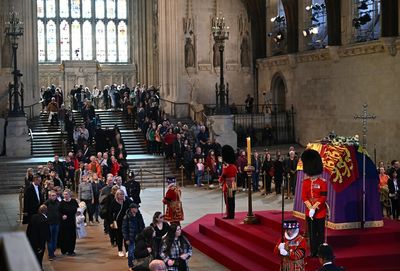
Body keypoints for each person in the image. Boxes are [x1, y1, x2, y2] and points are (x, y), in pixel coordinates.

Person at [301, 149, 327, 257]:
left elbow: (323, 197)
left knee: (320, 233)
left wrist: (314, 208)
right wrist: (309, 207)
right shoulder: (306, 182)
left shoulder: (322, 182)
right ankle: (313, 251)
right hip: (309, 212)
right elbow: (304, 196)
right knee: (312, 233)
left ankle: (320, 252)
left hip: (320, 211)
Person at [122, 203, 145, 270]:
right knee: (131, 252)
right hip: (131, 237)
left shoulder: (139, 216)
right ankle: (130, 265)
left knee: (138, 251)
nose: (137, 209)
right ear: (132, 209)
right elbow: (124, 229)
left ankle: (137, 264)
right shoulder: (126, 217)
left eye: (137, 208)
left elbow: (142, 225)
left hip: (139, 237)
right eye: (136, 208)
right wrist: (126, 239)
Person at [109, 189, 131, 257]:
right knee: (119, 236)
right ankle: (120, 250)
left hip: (126, 221)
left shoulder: (126, 201)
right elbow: (110, 213)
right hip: (117, 222)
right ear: (117, 195)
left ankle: (127, 250)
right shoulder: (113, 202)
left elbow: (132, 206)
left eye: (122, 194)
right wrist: (111, 222)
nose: (122, 195)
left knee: (126, 236)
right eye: (120, 194)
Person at [219, 145, 238, 219]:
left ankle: (229, 214)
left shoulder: (226, 167)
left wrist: (220, 180)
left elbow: (223, 176)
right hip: (233, 184)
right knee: (232, 200)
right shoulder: (234, 166)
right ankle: (232, 214)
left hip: (227, 185)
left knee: (227, 201)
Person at [58, 189, 79, 256]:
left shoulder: (73, 201)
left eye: (66, 194)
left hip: (72, 221)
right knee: (64, 236)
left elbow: (78, 209)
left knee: (72, 236)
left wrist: (78, 212)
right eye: (64, 194)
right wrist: (62, 215)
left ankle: (71, 250)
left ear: (70, 195)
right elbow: (58, 212)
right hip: (64, 222)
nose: (65, 196)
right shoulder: (61, 203)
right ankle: (64, 250)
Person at [44, 190, 60, 261]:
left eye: (54, 195)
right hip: (49, 224)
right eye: (52, 195)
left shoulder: (59, 203)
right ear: (49, 196)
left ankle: (52, 251)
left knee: (55, 239)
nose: (53, 197)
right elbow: (42, 212)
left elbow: (61, 211)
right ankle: (50, 254)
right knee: (49, 239)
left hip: (57, 223)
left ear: (56, 196)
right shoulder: (46, 203)